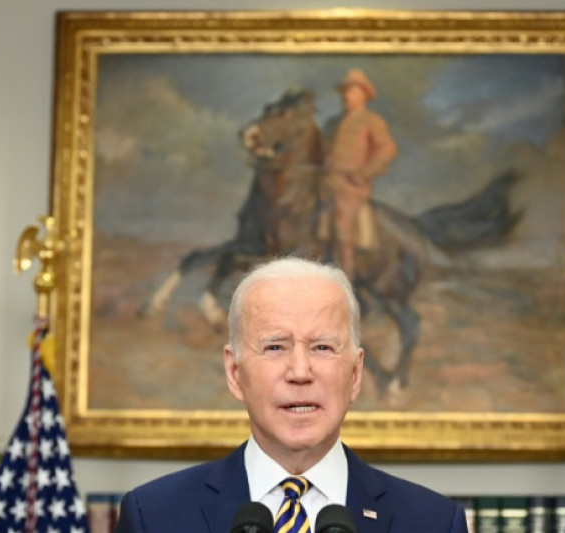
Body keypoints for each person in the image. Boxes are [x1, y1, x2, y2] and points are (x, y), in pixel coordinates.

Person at [115, 256, 467, 533]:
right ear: (235, 373)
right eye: (275, 347)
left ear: (355, 374)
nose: (300, 372)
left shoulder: (434, 522)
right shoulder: (154, 517)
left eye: (322, 347)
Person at [322, 69, 398, 280]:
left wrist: (364, 173)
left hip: (351, 187)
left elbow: (387, 149)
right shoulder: (333, 123)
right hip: (326, 183)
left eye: (353, 91)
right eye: (345, 91)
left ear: (364, 95)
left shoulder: (372, 121)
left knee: (342, 229)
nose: (347, 96)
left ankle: (346, 281)